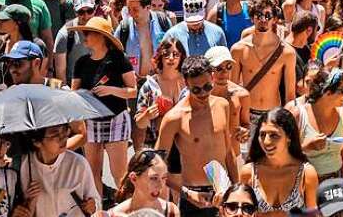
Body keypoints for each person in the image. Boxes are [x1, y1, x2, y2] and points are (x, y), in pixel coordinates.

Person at [156, 55, 239, 217]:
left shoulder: (222, 105)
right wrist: (186, 193)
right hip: (193, 198)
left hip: (224, 193)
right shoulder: (175, 118)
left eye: (207, 86)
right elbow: (156, 167)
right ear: (186, 84)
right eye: (196, 89)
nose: (203, 93)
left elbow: (228, 153)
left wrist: (236, 190)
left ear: (212, 78)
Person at [69, 16, 137, 193]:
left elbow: (133, 90)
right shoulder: (81, 62)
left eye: (89, 33)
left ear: (102, 36)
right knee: (93, 172)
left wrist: (112, 90)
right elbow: (73, 92)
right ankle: (98, 210)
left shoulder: (119, 59)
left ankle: (129, 207)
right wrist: (84, 95)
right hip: (91, 119)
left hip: (116, 117)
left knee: (119, 173)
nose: (85, 36)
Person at [239, 108, 318, 217]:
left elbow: (312, 215)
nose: (266, 141)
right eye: (262, 135)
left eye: (274, 135)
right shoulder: (248, 172)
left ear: (288, 137)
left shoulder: (306, 173)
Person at [230, 0, 296, 125]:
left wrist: (288, 123)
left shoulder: (287, 52)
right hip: (246, 116)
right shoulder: (238, 50)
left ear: (275, 19)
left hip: (273, 115)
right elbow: (232, 88)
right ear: (252, 17)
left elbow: (290, 95)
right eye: (259, 15)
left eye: (267, 15)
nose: (263, 20)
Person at [19, 124, 100, 217]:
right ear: (37, 142)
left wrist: (93, 206)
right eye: (55, 135)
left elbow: (96, 202)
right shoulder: (24, 165)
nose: (63, 138)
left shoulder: (78, 163)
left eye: (65, 131)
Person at [289, 67, 343, 182]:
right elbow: (284, 153)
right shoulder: (298, 115)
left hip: (337, 181)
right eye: (342, 90)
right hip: (307, 181)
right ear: (327, 92)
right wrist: (306, 146)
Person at [205, 46, 251, 160]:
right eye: (218, 68)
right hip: (208, 158)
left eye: (228, 67)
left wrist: (245, 132)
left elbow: (245, 123)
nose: (224, 72)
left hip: (235, 157)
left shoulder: (242, 95)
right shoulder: (200, 96)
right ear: (207, 69)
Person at [106, 149, 180, 217]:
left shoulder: (171, 212)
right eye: (154, 178)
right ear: (134, 178)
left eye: (164, 178)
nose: (160, 186)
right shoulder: (113, 215)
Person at [163, 0, 227, 56]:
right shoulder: (172, 35)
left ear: (204, 10)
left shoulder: (218, 32)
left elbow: (224, 60)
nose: (195, 24)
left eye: (197, 21)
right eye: (192, 21)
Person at [53, 0, 96, 84]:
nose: (86, 16)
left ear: (95, 10)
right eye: (81, 12)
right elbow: (60, 73)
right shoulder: (65, 34)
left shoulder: (103, 31)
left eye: (89, 11)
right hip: (74, 90)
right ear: (75, 12)